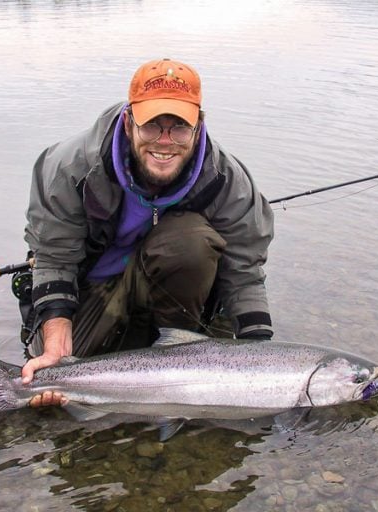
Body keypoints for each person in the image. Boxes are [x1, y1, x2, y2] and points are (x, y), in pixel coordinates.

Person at [21, 58, 274, 407]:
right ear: (128, 123)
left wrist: (259, 355)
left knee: (192, 243)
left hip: (166, 279)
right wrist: (55, 346)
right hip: (89, 288)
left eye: (179, 127)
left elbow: (245, 273)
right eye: (152, 125)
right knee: (57, 379)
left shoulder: (227, 181)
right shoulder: (70, 167)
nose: (165, 141)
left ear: (198, 127)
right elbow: (54, 258)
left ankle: (176, 346)